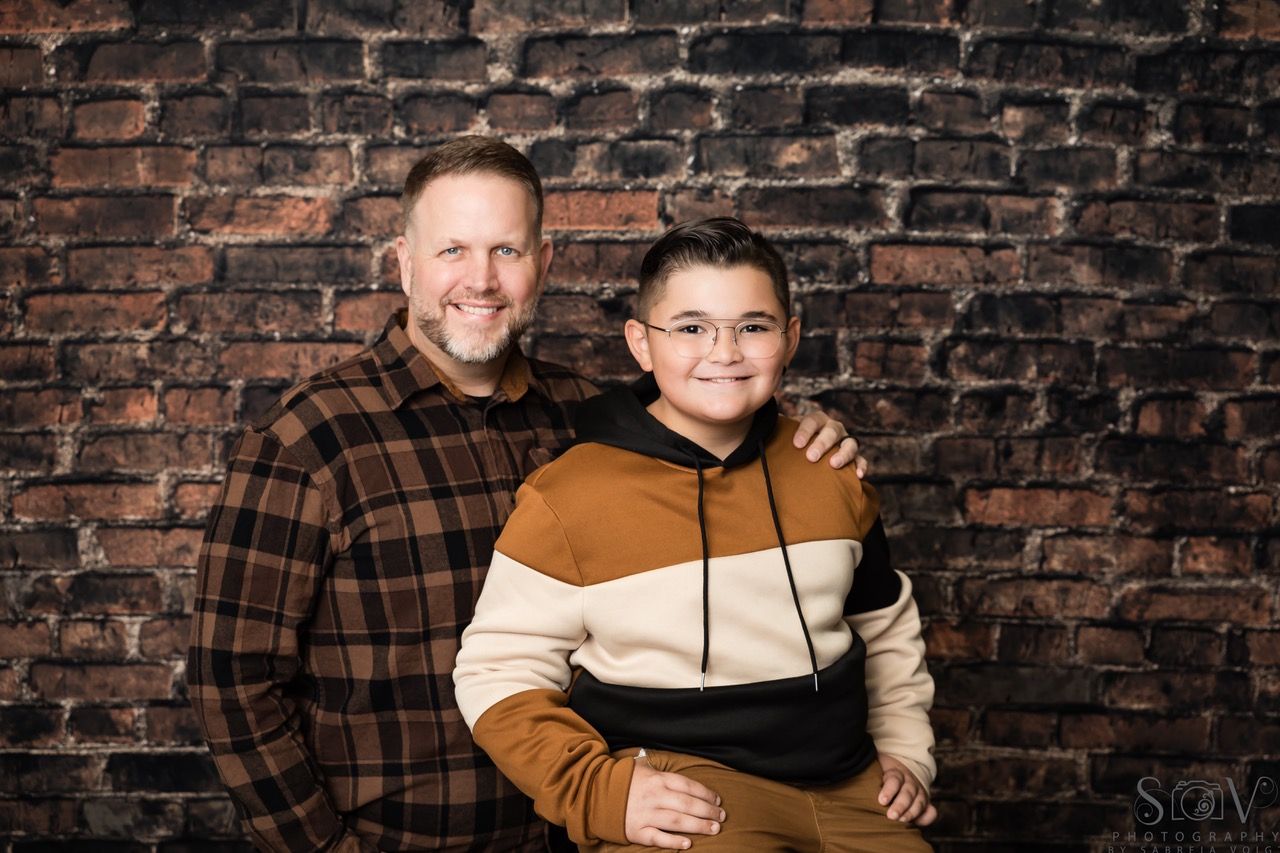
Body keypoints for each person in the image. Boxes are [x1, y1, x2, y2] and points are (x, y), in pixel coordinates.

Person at [187, 137, 865, 852]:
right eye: (452, 250)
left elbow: (722, 434)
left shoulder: (596, 420)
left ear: (543, 264)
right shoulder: (307, 441)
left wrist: (801, 433)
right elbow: (232, 683)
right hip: (403, 837)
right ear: (404, 262)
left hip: (592, 835)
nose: (480, 280)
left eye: (506, 251)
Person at [454, 217, 935, 852]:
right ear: (641, 344)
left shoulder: (830, 468)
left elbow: (882, 624)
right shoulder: (568, 495)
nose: (725, 352)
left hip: (850, 783)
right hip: (688, 791)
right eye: (690, 328)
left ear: (790, 339)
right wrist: (596, 789)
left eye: (753, 327)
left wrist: (906, 750)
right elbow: (498, 671)